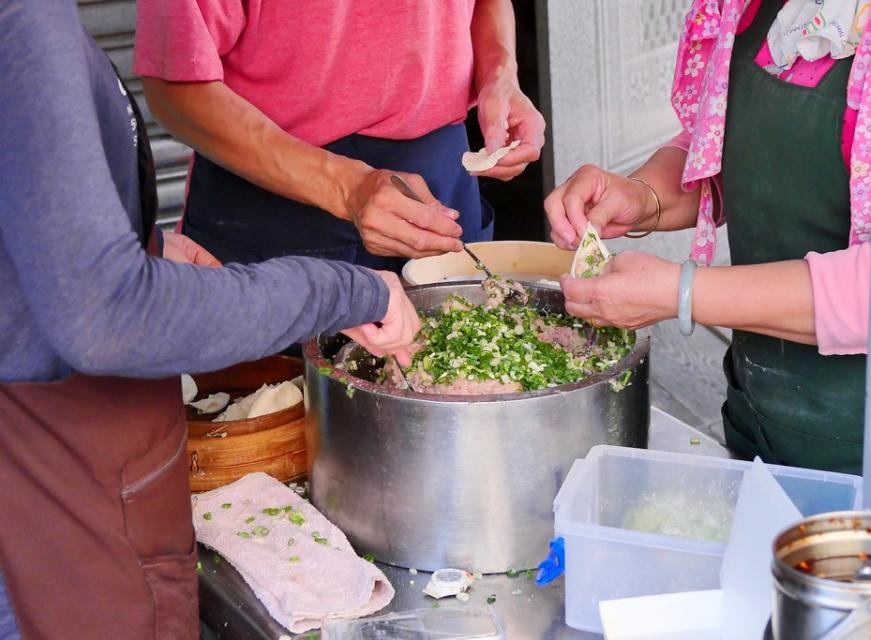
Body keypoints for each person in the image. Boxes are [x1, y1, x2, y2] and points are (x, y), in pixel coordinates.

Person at [0, 1, 420, 637]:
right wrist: (347, 290)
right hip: (47, 504)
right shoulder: (23, 22)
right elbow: (107, 318)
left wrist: (137, 245)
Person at [546, 0, 871, 474]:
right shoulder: (764, 8)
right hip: (761, 412)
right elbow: (736, 149)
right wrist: (643, 195)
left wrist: (682, 292)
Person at [133, 0, 546, 271]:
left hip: (442, 181)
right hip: (272, 197)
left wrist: (500, 75)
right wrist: (345, 188)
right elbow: (174, 90)